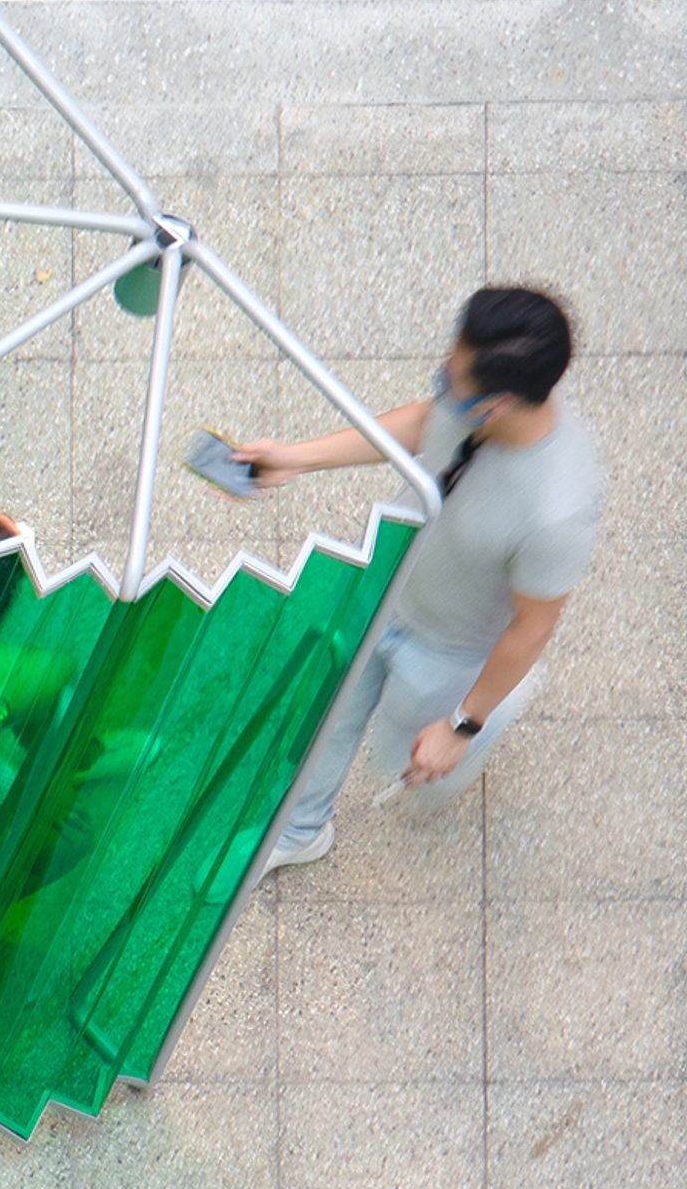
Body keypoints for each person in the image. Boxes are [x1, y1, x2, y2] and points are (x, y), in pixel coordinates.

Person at [236, 285, 602, 872]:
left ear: (497, 405)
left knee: (411, 763)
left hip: (448, 649)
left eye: (453, 381)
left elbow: (532, 628)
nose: (441, 385)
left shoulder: (557, 509)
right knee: (323, 714)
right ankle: (302, 829)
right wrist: (298, 457)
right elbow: (425, 426)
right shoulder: (470, 409)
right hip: (386, 590)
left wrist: (463, 725)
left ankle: (497, 705)